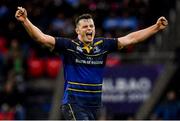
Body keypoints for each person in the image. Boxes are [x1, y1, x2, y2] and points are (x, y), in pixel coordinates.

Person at [15, 6, 168, 120]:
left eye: (92, 26)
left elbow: (131, 39)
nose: (89, 29)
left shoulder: (103, 45)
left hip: (94, 106)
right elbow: (41, 38)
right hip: (73, 103)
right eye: (85, 26)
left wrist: (155, 27)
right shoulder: (69, 46)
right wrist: (25, 21)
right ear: (77, 30)